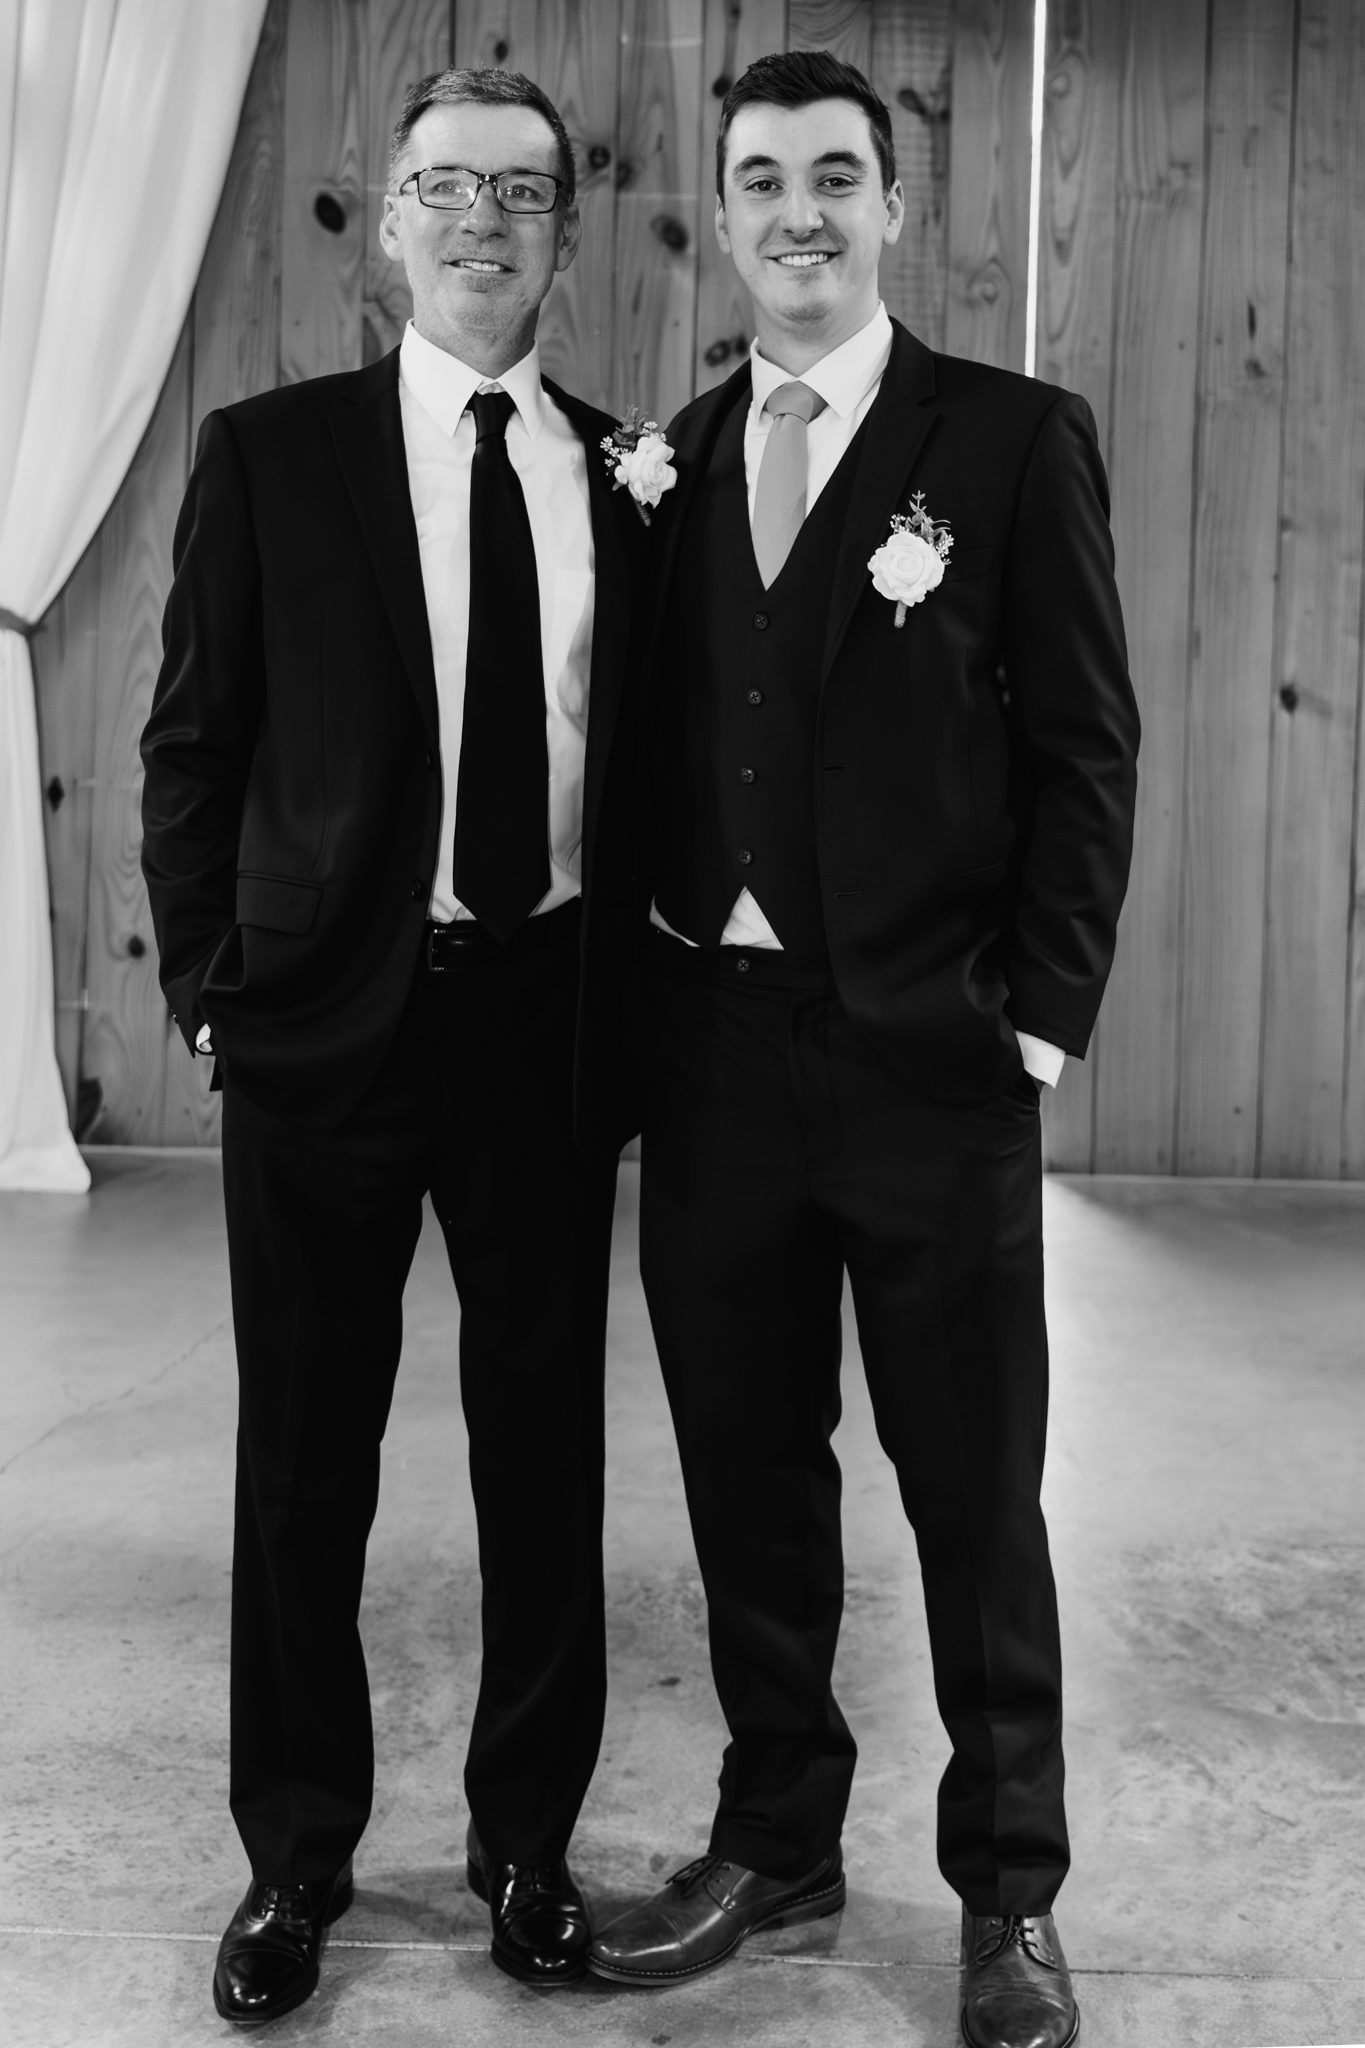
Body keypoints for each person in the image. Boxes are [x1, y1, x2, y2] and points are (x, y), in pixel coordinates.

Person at [586, 50, 1138, 2048]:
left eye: (834, 174)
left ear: (891, 208)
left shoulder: (1004, 440)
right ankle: (776, 1838)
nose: (797, 211)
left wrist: (1032, 1032)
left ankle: (1008, 1891)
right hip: (717, 1058)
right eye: (760, 179)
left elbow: (1084, 752)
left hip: (932, 1065)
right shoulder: (663, 462)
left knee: (970, 1498)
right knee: (747, 1480)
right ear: (722, 216)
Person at [141, 65, 645, 2026]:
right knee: (302, 1463)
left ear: (564, 234)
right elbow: (194, 744)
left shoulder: (633, 474)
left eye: (520, 192)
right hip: (323, 1028)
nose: (480, 222)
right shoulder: (269, 455)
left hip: (545, 1021)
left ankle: (527, 1846)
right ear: (390, 218)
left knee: (542, 1457)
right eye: (446, 186)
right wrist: (212, 981)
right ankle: (294, 1856)